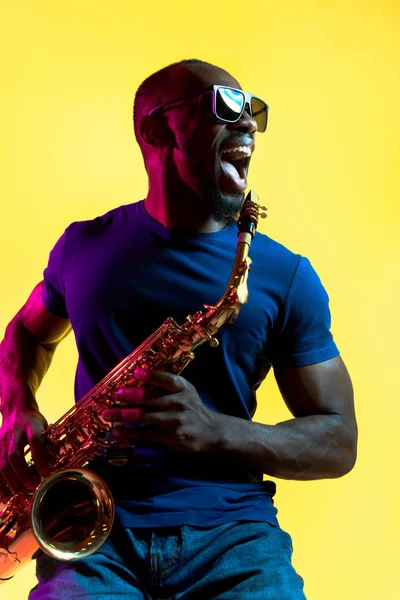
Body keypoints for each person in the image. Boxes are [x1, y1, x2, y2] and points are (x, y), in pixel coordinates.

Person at [0, 59, 357, 599]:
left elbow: (338, 440)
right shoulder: (84, 246)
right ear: (158, 130)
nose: (250, 126)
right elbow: (27, 335)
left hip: (235, 540)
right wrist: (17, 406)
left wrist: (216, 431)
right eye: (228, 108)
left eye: (255, 111)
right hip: (93, 533)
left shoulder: (285, 275)